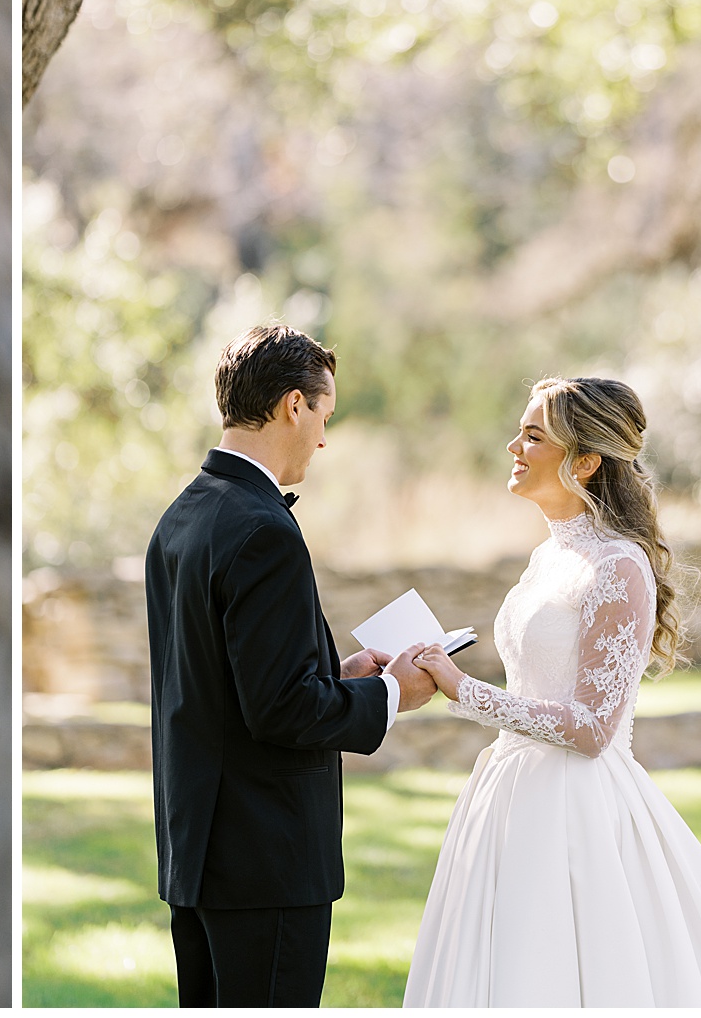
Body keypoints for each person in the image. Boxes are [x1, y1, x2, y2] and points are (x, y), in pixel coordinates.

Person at [401, 377, 701, 1006]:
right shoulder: (547, 558)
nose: (514, 445)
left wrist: (464, 691)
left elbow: (591, 728)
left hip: (575, 806)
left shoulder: (618, 567)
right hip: (508, 792)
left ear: (584, 461)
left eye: (533, 436)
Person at [145, 324, 438, 1008]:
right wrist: (395, 692)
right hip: (264, 862)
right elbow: (281, 710)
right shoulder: (262, 529)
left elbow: (219, 682)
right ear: (292, 407)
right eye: (324, 416)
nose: (324, 439)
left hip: (199, 854)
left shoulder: (183, 516)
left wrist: (337, 674)